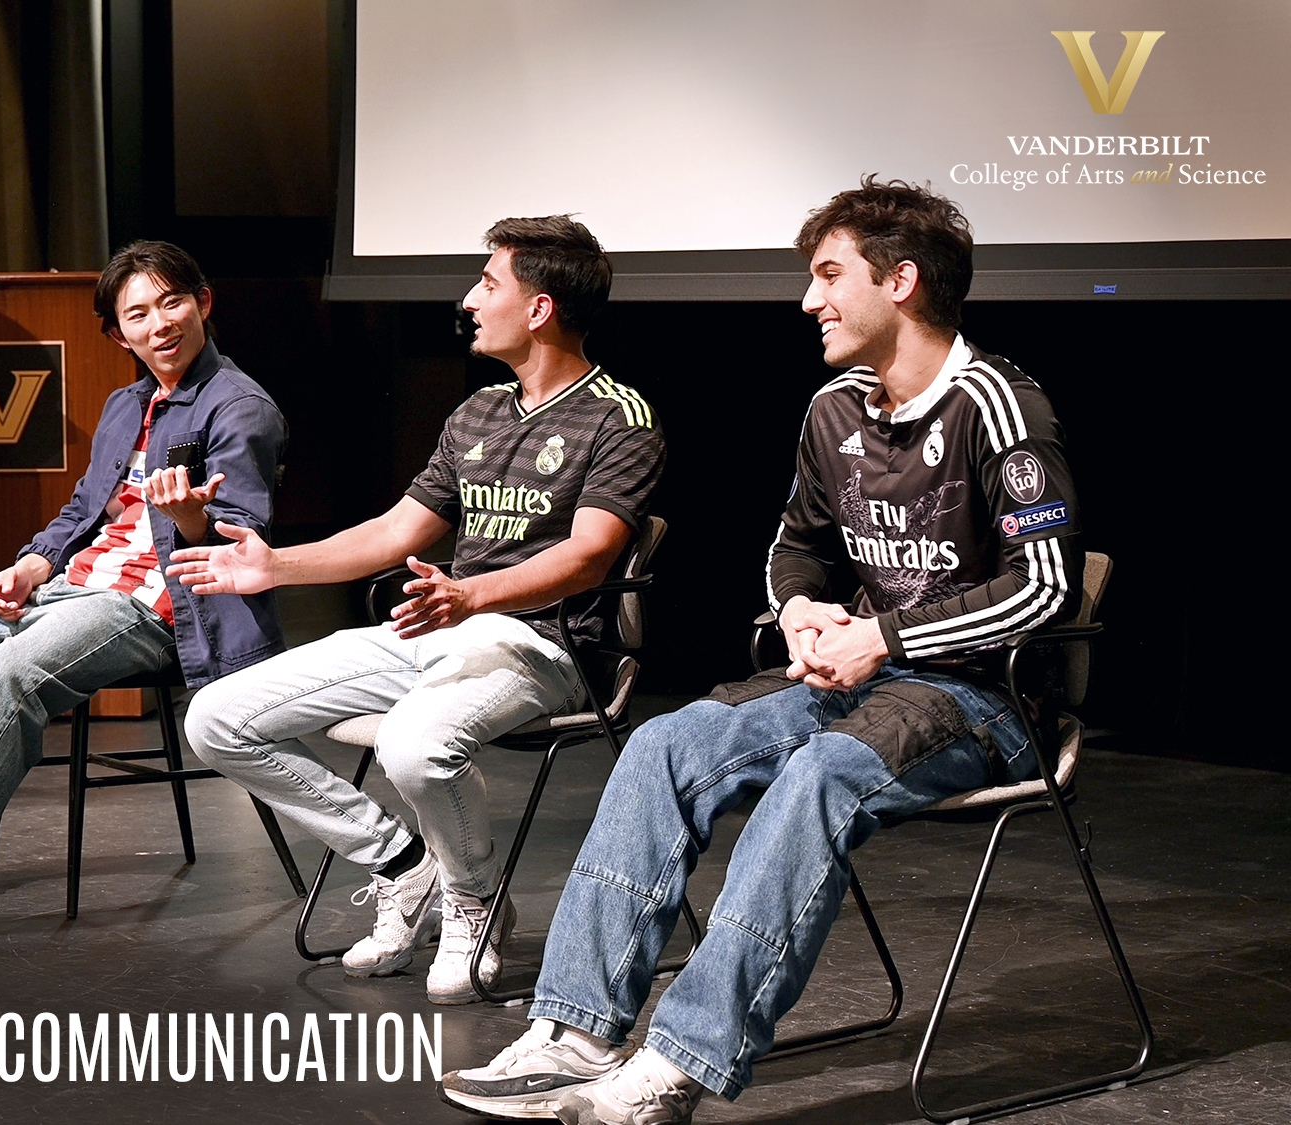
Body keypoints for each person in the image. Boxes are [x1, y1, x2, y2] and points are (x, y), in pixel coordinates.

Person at [441, 177, 1082, 1123]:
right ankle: (576, 1031)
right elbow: (797, 541)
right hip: (859, 676)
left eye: (829, 276)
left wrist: (883, 635)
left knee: (818, 774)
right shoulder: (833, 409)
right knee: (664, 744)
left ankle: (679, 1064)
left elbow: (1048, 584)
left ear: (901, 281)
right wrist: (800, 611)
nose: (808, 299)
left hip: (983, 700)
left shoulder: (999, 404)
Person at [174, 216, 664, 1004]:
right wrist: (274, 567)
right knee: (216, 719)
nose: (470, 300)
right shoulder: (475, 414)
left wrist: (471, 594)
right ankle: (406, 867)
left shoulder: (616, 417)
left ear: (538, 309)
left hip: (545, 644)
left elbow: (588, 556)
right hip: (445, 628)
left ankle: (474, 900)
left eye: (489, 284)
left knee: (411, 742)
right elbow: (397, 531)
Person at [0, 240, 288, 940]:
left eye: (172, 302)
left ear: (203, 304)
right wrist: (33, 565)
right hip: (71, 587)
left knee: (10, 672)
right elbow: (82, 509)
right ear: (117, 333)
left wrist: (190, 513)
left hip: (152, 609)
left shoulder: (239, 407)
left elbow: (238, 543)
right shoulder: (125, 405)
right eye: (139, 313)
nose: (160, 322)